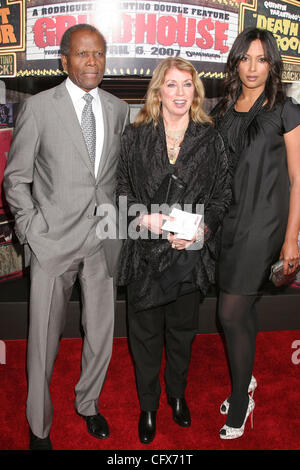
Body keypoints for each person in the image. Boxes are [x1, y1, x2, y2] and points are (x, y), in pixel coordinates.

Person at [3, 24, 129, 450]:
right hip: (51, 243)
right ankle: (39, 427)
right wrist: (31, 230)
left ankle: (88, 403)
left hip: (102, 241)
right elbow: (15, 179)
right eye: (82, 54)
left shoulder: (117, 109)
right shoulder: (39, 108)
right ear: (64, 60)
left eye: (99, 54)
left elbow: (116, 178)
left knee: (100, 334)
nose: (92, 61)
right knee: (42, 340)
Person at [117, 57, 231, 444]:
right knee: (145, 337)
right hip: (146, 257)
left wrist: (202, 230)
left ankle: (177, 397)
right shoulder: (135, 136)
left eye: (187, 85)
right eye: (172, 85)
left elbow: (221, 197)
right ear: (158, 91)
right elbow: (120, 191)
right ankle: (148, 406)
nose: (180, 93)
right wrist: (141, 217)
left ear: (196, 92)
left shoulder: (209, 137)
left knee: (182, 335)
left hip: (188, 258)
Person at [212, 28, 300, 439]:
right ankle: (245, 378)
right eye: (245, 58)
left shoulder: (286, 109)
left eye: (261, 59)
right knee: (240, 310)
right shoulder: (225, 109)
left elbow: (299, 179)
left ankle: (242, 399)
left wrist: (290, 239)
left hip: (265, 223)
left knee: (228, 312)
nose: (252, 67)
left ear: (272, 65)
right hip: (230, 221)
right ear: (235, 63)